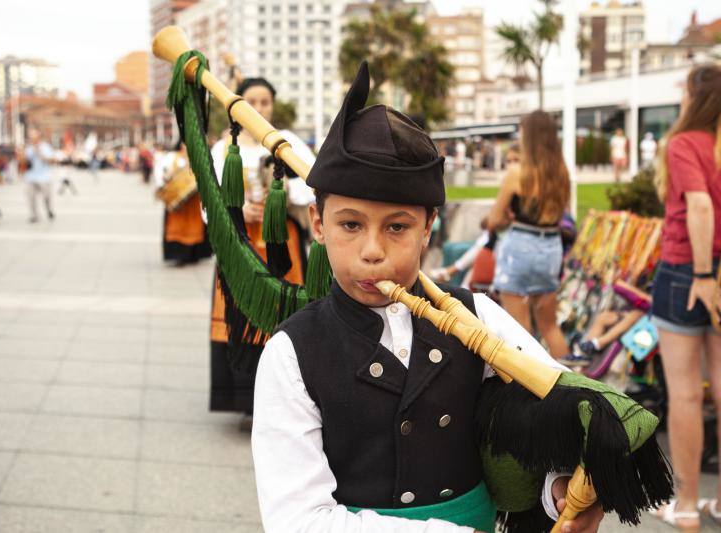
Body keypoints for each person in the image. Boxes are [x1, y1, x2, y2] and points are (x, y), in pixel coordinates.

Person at [251, 62, 605, 533]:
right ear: (318, 224)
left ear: (428, 228)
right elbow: (297, 519)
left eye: (397, 227)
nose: (372, 251)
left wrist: (558, 486)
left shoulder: (476, 317)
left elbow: (552, 412)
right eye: (350, 224)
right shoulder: (292, 352)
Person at [209, 77, 315, 421]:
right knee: (242, 315)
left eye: (265, 101)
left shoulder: (289, 142)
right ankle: (247, 402)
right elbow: (208, 207)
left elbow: (316, 188)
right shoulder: (221, 149)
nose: (258, 107)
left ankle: (291, 400)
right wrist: (239, 211)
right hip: (240, 248)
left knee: (286, 315)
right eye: (250, 100)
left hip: (283, 246)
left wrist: (279, 200)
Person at [649, 64, 721, 531]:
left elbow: (699, 205)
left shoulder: (684, 143)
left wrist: (700, 273)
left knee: (686, 396)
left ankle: (689, 505)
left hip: (685, 271)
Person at [486, 111, 570, 358]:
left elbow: (494, 220)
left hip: (520, 247)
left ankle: (528, 392)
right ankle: (570, 386)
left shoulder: (517, 174)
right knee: (551, 327)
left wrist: (504, 219)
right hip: (551, 248)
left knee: (519, 331)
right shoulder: (562, 174)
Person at [155, 142, 212, 265]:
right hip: (177, 200)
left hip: (194, 201)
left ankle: (194, 254)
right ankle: (178, 255)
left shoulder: (199, 157)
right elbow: (161, 173)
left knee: (195, 226)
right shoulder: (172, 157)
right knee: (176, 227)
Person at [23, 129, 55, 223]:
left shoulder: (46, 147)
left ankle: (48, 209)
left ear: (39, 137)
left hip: (44, 177)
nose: (33, 140)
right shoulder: (28, 148)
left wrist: (39, 153)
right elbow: (24, 162)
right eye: (31, 138)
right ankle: (34, 215)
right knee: (31, 197)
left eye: (34, 138)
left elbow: (51, 160)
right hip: (30, 177)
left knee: (46, 197)